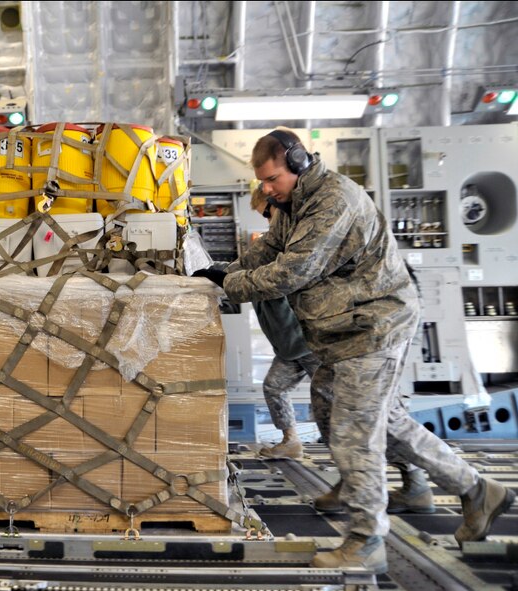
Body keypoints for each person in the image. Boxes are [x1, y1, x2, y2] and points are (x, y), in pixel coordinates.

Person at [196, 128, 514, 574]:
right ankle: (476, 490)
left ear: (299, 163)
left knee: (352, 431)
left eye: (271, 179)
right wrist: (217, 270)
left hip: (373, 327)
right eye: (261, 181)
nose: (265, 189)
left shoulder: (333, 201)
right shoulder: (294, 204)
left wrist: (230, 285)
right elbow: (269, 249)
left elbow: (292, 271)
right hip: (341, 334)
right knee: (341, 415)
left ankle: (366, 540)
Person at [247, 187, 323, 460]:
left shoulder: (295, 244)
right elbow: (245, 270)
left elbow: (270, 280)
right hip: (290, 346)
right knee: (274, 387)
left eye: (268, 213)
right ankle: (291, 441)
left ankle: (370, 466)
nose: (267, 221)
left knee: (339, 403)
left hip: (312, 342)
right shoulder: (272, 244)